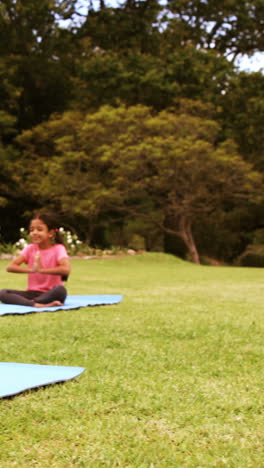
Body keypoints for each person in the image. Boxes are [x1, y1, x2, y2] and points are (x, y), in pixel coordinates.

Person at [0, 212, 71, 308]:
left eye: (39, 229)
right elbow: (10, 267)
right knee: (3, 292)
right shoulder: (30, 249)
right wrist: (32, 270)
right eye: (32, 230)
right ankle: (36, 304)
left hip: (51, 293)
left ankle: (32, 303)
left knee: (61, 290)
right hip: (31, 293)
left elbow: (66, 270)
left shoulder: (58, 248)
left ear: (50, 233)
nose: (34, 233)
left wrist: (42, 270)